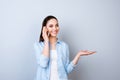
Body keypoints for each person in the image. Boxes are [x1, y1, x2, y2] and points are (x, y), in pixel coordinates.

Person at [34, 15, 96, 80]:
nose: (55, 28)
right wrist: (46, 40)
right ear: (45, 29)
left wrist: (78, 55)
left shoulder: (64, 46)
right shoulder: (38, 46)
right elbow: (43, 64)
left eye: (56, 25)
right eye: (51, 26)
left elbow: (66, 70)